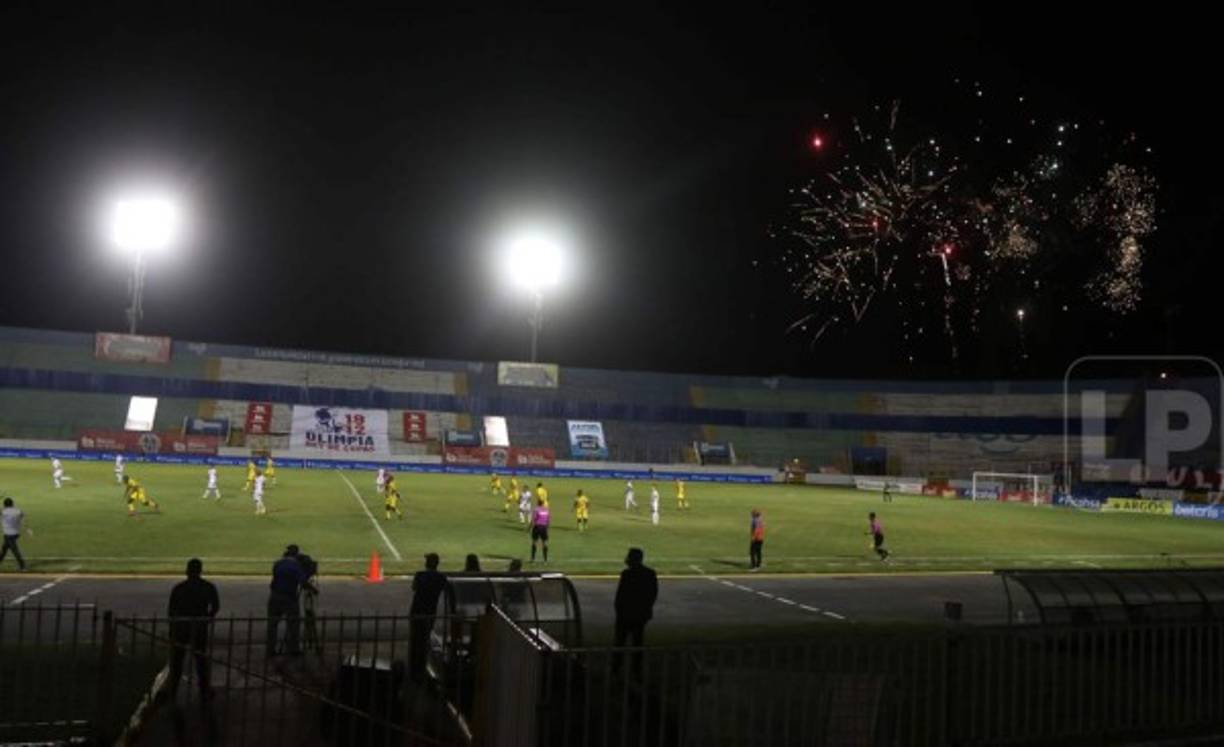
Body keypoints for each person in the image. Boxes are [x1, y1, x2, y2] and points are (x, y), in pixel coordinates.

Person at [166, 558, 220, 702]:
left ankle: (173, 691)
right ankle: (204, 690)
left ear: (187, 571)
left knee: (177, 661)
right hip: (199, 627)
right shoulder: (208, 587)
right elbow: (215, 606)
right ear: (200, 571)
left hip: (182, 628)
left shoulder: (179, 588)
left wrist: (172, 628)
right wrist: (207, 619)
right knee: (200, 660)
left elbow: (171, 611)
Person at [409, 553, 446, 683]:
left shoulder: (420, 575)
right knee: (424, 640)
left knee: (415, 640)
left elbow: (414, 587)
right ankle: (421, 668)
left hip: (417, 611)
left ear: (427, 563)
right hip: (430, 612)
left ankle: (413, 669)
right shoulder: (441, 578)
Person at [614, 548, 658, 649]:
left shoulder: (627, 574)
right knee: (637, 643)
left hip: (625, 614)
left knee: (619, 643)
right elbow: (653, 595)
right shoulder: (650, 573)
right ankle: (636, 664)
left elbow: (620, 596)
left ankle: (617, 664)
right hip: (640, 614)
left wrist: (619, 612)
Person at [267, 545, 304, 655]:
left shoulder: (278, 563)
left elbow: (275, 579)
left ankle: (270, 649)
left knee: (272, 624)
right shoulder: (296, 565)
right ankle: (293, 649)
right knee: (293, 623)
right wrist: (314, 589)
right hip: (289, 598)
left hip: (275, 596)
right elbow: (303, 581)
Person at [1, 497, 28, 571]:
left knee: (14, 550)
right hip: (16, 533)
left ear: (4, 505)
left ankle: (23, 566)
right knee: (4, 549)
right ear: (12, 504)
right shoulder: (18, 511)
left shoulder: (3, 512)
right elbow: (23, 516)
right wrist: (27, 529)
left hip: (8, 534)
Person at [529, 497, 551, 563]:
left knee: (534, 543)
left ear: (538, 503)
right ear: (543, 503)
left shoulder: (536, 509)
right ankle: (545, 560)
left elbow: (533, 520)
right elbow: (548, 520)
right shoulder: (546, 510)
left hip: (537, 527)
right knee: (544, 543)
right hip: (544, 527)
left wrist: (529, 528)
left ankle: (533, 559)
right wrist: (547, 527)